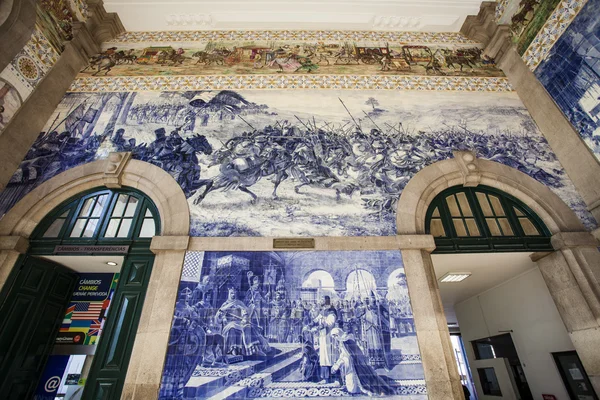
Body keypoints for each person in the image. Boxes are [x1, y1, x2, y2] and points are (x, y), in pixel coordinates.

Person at [330, 328, 396, 396]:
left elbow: (348, 356)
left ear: (338, 334)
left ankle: (380, 391)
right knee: (354, 385)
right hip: (352, 365)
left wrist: (337, 365)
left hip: (356, 365)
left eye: (335, 336)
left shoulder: (346, 341)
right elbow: (344, 354)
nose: (335, 338)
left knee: (366, 381)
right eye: (333, 337)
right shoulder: (343, 341)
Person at [215, 287, 270, 356]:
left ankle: (254, 349)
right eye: (231, 293)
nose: (233, 295)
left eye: (234, 293)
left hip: (240, 323)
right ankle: (233, 349)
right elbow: (220, 316)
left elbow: (245, 313)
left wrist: (245, 317)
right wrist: (223, 318)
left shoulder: (239, 303)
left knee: (248, 327)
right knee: (232, 328)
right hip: (229, 324)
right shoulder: (225, 304)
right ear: (229, 294)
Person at [312, 296, 339, 383]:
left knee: (329, 356)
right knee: (323, 356)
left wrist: (319, 326)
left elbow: (330, 323)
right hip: (323, 337)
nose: (320, 301)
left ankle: (333, 378)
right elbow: (315, 320)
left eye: (322, 300)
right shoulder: (322, 311)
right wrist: (309, 325)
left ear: (326, 301)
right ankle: (324, 378)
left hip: (329, 337)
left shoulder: (331, 311)